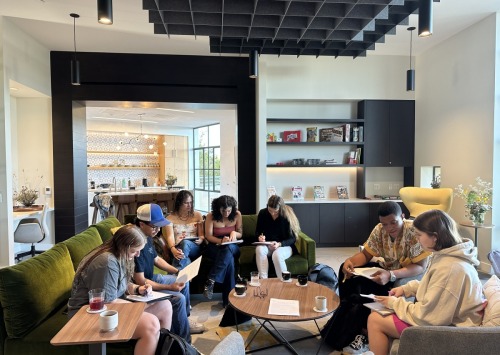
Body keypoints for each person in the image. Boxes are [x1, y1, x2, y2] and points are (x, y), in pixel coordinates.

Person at [367, 209, 485, 355]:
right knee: (380, 309)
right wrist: (407, 288)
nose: (416, 239)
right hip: (446, 320)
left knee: (375, 320)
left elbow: (428, 318)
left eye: (419, 235)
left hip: (455, 331)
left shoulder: (450, 269)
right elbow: (435, 285)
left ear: (434, 237)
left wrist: (393, 303)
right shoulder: (446, 255)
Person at [333, 201, 430, 354]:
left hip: (409, 274)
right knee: (348, 273)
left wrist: (391, 275)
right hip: (388, 269)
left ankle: (366, 332)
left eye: (393, 222)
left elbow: (420, 266)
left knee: (373, 288)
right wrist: (350, 261)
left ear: (402, 217)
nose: (389, 227)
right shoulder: (380, 230)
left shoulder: (413, 232)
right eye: (384, 224)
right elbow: (365, 254)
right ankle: (350, 319)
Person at [68, 225, 172, 355]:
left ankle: (161, 350)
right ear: (125, 247)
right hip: (87, 315)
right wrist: (140, 306)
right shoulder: (107, 262)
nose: (138, 254)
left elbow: (120, 283)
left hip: (109, 308)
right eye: (135, 251)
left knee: (165, 306)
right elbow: (107, 302)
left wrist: (138, 289)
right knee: (150, 324)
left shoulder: (120, 255)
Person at [133, 203, 206, 341]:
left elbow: (156, 259)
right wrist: (169, 287)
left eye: (159, 226)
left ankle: (185, 318)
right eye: (154, 226)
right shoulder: (136, 244)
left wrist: (177, 271)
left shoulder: (147, 235)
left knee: (182, 279)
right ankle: (184, 342)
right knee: (179, 296)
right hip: (145, 286)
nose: (158, 230)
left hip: (152, 276)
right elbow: (140, 281)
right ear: (141, 224)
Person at [203, 195, 242, 307]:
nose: (226, 213)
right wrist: (221, 241)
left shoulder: (237, 215)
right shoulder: (211, 216)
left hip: (232, 246)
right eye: (223, 210)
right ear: (218, 208)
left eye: (229, 210)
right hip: (215, 246)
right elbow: (208, 236)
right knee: (229, 262)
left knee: (229, 249)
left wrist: (234, 233)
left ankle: (211, 279)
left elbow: (240, 233)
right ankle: (229, 302)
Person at [254, 195, 301, 279]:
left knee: (277, 254)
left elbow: (293, 238)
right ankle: (264, 281)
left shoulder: (287, 216)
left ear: (281, 209)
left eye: (275, 211)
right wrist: (260, 237)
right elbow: (257, 232)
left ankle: (284, 281)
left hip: (284, 246)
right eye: (270, 210)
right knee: (259, 249)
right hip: (268, 245)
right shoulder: (262, 213)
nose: (272, 213)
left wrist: (279, 244)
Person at [162, 190, 205, 270]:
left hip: (194, 247)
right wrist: (173, 249)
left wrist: (201, 239)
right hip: (178, 247)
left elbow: (201, 235)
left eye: (191, 202)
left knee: (185, 243)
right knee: (186, 261)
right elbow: (170, 236)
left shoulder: (197, 215)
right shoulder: (170, 218)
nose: (189, 205)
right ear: (179, 203)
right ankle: (179, 277)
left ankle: (174, 275)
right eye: (186, 203)